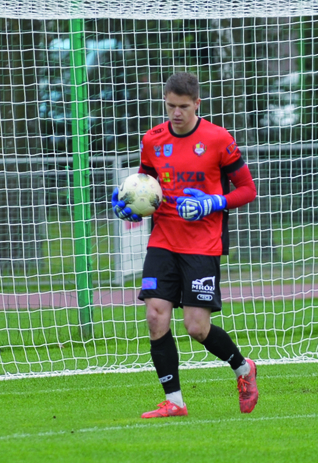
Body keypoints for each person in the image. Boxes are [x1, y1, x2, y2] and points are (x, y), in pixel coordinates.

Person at [111, 72, 259, 419]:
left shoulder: (218, 139)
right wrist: (128, 207)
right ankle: (174, 401)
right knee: (155, 315)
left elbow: (247, 189)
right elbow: (145, 186)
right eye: (170, 106)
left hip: (202, 243)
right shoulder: (153, 140)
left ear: (197, 104)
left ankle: (243, 368)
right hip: (162, 240)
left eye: (183, 107)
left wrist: (213, 202)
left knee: (196, 327)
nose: (176, 113)